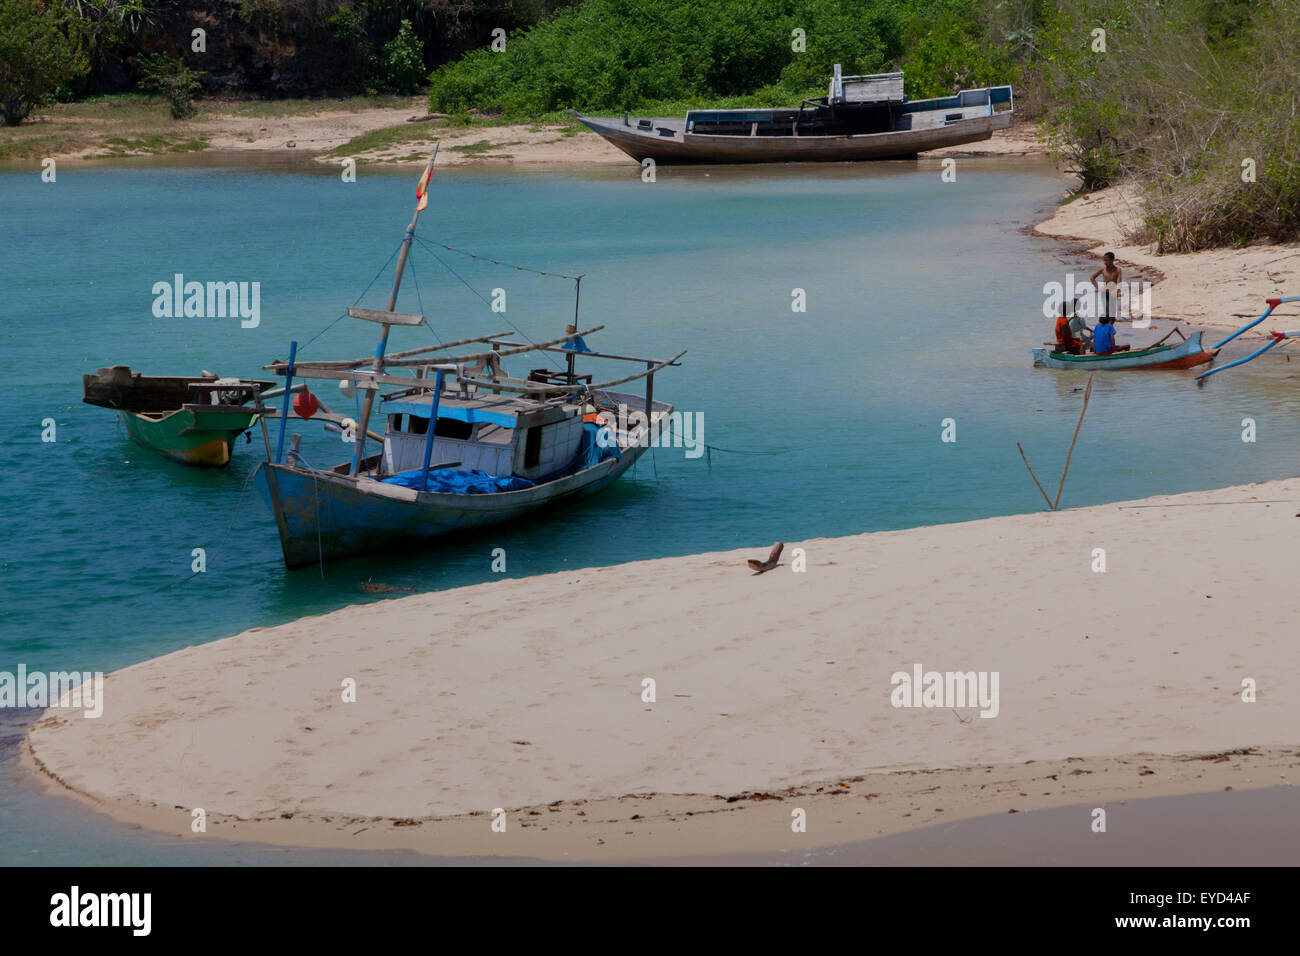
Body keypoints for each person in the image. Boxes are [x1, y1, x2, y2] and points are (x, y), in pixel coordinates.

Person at [1089, 252, 1123, 320]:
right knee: (1107, 313)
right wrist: (1098, 288)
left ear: (1112, 260)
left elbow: (1119, 282)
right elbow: (1092, 278)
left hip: (1113, 293)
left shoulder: (1118, 270)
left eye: (1107, 260)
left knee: (1112, 315)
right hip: (1104, 293)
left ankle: (1110, 328)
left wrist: (1117, 290)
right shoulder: (1103, 269)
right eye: (1104, 260)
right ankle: (1106, 327)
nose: (1105, 262)